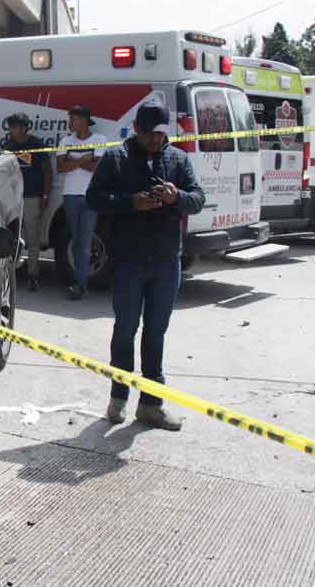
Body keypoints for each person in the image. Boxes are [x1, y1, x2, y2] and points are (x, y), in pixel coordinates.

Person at [87, 98, 205, 430]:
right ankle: (118, 398)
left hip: (166, 262)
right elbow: (94, 199)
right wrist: (130, 203)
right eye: (149, 133)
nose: (155, 140)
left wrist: (175, 197)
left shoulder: (178, 158)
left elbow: (198, 199)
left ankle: (151, 405)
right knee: (125, 330)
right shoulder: (116, 158)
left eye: (160, 134)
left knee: (156, 333)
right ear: (136, 129)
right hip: (129, 262)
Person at [56, 105, 107, 300]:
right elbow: (60, 167)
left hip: (90, 196)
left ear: (84, 120)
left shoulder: (99, 140)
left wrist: (73, 159)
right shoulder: (65, 141)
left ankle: (80, 284)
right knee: (77, 241)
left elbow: (97, 167)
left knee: (84, 242)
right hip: (70, 196)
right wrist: (85, 158)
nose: (70, 123)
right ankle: (80, 282)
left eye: (73, 119)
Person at [3, 112, 52, 291]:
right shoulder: (8, 147)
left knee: (33, 239)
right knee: (13, 237)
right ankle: (11, 273)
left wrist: (45, 196)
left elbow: (47, 172)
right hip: (13, 199)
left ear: (24, 128)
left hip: (32, 197)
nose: (11, 130)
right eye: (10, 127)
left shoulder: (37, 145)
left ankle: (33, 274)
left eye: (14, 127)